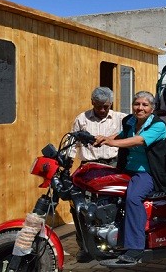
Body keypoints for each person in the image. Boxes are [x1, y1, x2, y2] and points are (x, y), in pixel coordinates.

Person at [94, 91, 166, 264]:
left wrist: (111, 143)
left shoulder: (158, 126)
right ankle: (99, 241)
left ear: (152, 108)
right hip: (127, 170)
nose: (140, 108)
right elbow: (123, 135)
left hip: (148, 173)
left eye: (145, 105)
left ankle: (136, 248)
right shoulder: (130, 121)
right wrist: (105, 138)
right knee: (101, 186)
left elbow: (138, 140)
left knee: (133, 198)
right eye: (137, 104)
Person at [70, 86, 127, 262]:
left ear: (111, 104)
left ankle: (113, 243)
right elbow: (73, 142)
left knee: (111, 208)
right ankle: (85, 248)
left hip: (113, 166)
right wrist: (67, 162)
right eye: (98, 106)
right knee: (81, 208)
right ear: (92, 103)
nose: (102, 110)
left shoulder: (121, 118)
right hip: (88, 168)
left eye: (106, 106)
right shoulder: (82, 118)